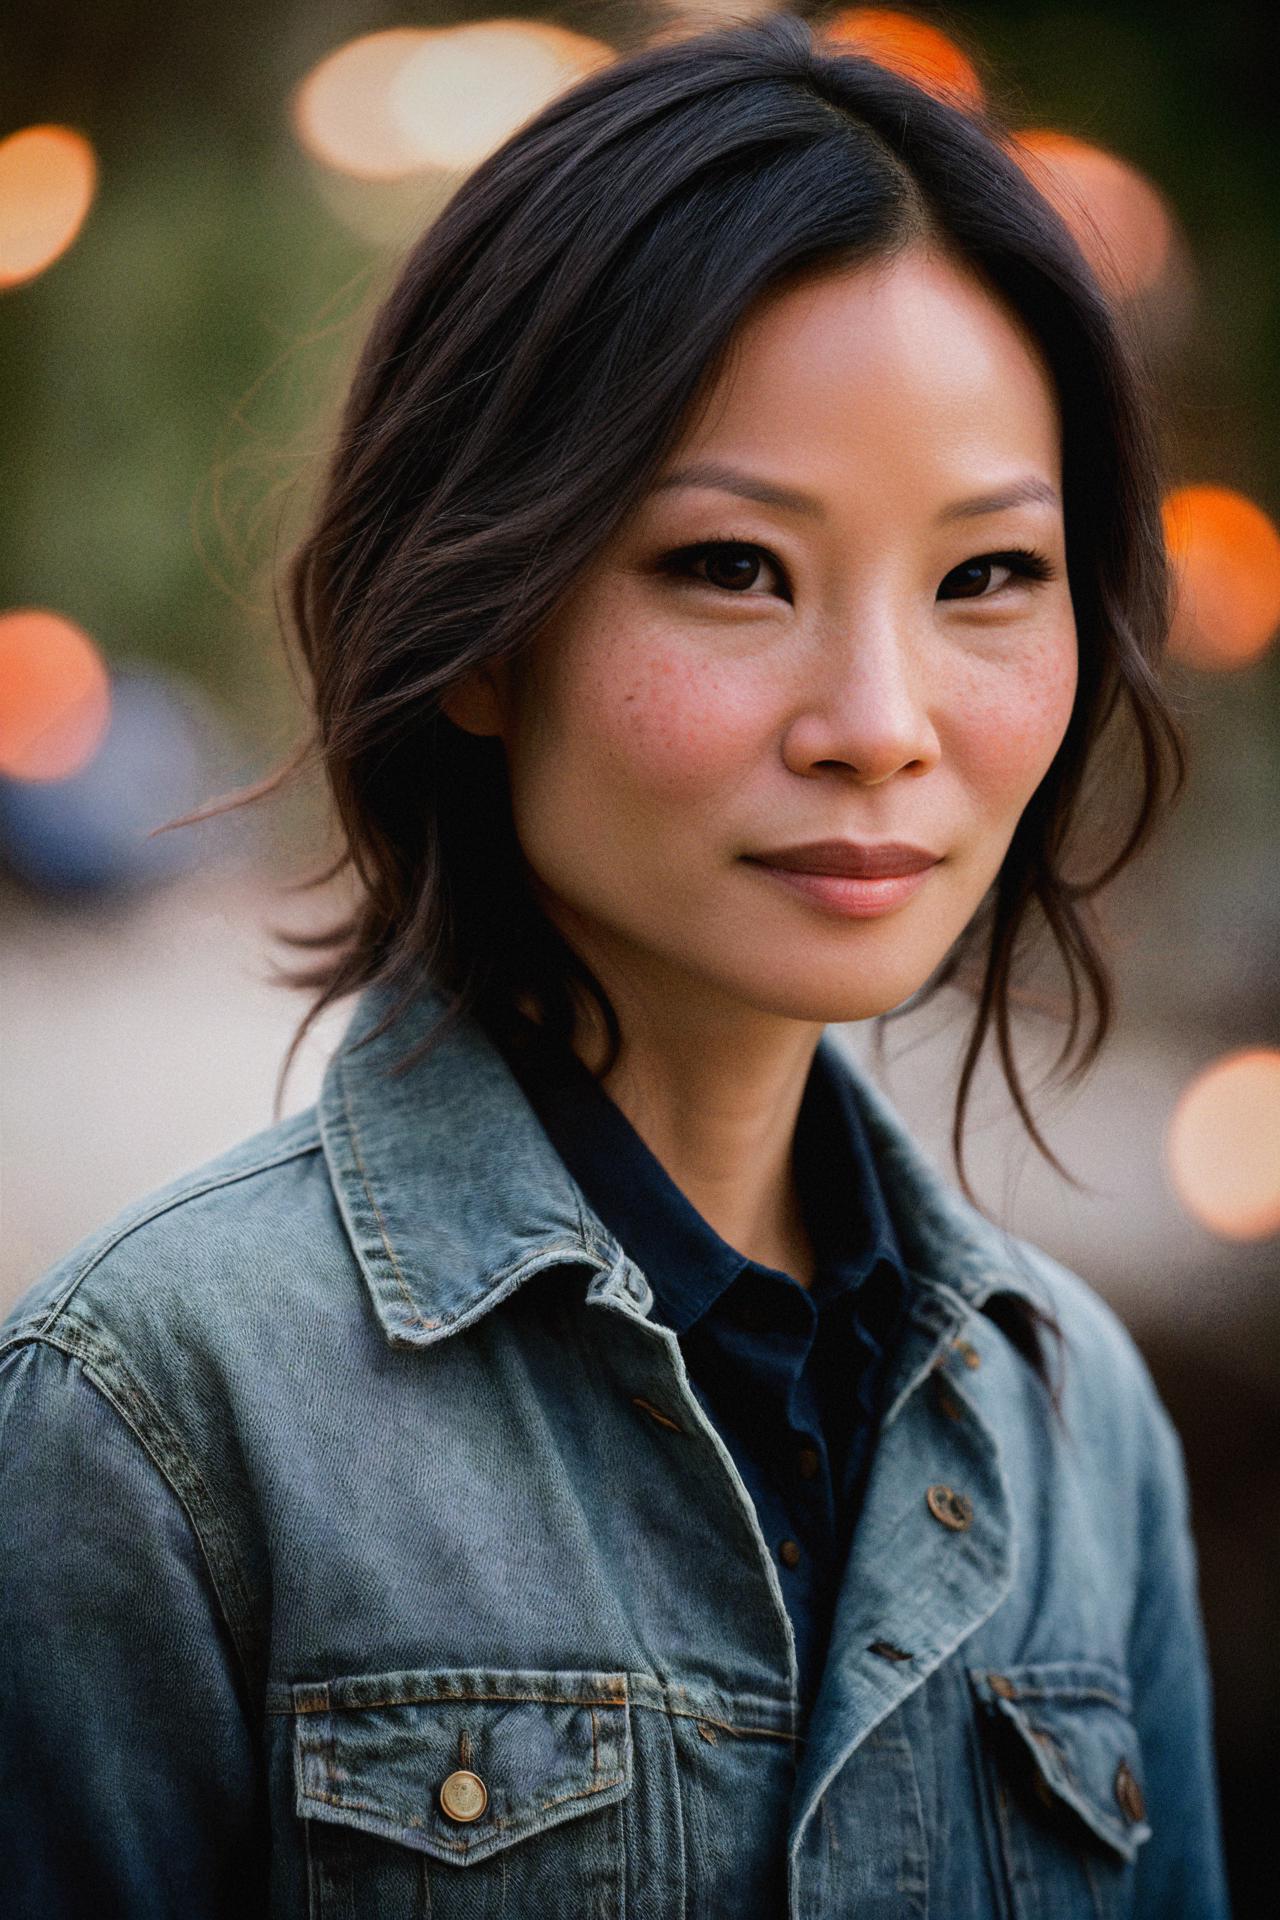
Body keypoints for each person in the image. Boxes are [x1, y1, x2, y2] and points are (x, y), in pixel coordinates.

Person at [0, 12, 1231, 1917]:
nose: (884, 723)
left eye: (987, 575)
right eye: (737, 566)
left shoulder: (1084, 1430)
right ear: (485, 624)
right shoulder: (153, 1418)